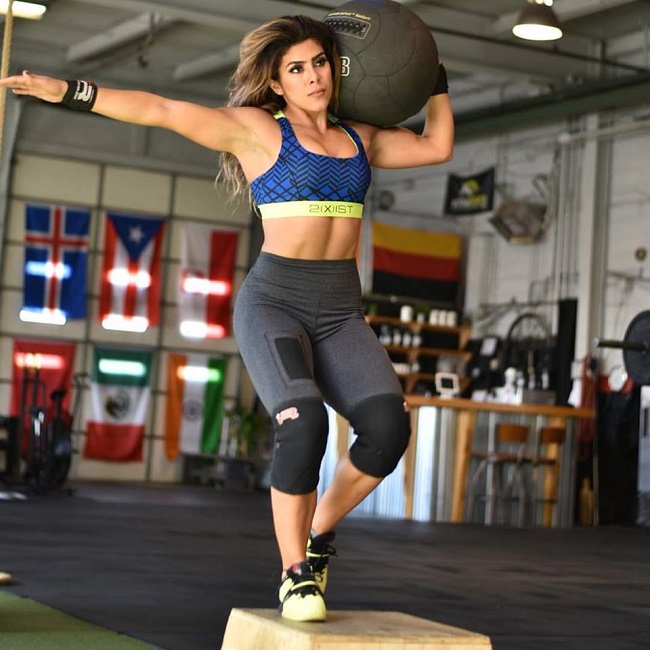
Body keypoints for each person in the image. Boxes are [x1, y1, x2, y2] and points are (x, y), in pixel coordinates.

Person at [0, 14, 453, 623]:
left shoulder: (360, 139)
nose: (313, 76)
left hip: (341, 311)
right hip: (276, 304)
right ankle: (295, 576)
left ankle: (316, 537)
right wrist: (72, 92)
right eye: (297, 69)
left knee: (388, 430)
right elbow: (161, 110)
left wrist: (432, 72)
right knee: (304, 424)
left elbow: (437, 145)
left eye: (321, 62)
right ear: (277, 82)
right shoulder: (257, 132)